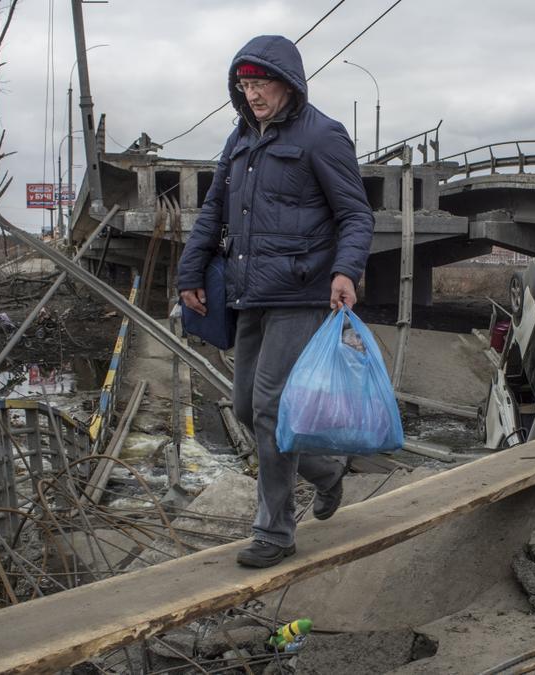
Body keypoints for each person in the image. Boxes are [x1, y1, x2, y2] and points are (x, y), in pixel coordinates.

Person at [177, 35, 374, 568]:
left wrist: (345, 271)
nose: (252, 94)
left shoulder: (322, 136)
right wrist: (189, 271)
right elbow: (214, 209)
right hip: (249, 294)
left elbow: (356, 215)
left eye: (259, 83)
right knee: (246, 406)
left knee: (268, 409)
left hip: (302, 292)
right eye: (244, 85)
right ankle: (328, 472)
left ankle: (275, 532)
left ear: (287, 82)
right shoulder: (239, 139)